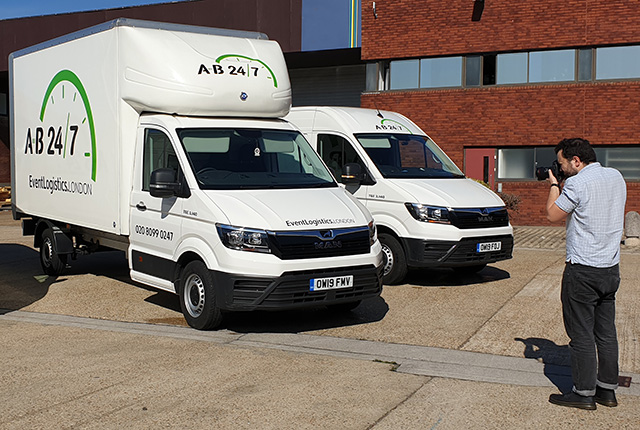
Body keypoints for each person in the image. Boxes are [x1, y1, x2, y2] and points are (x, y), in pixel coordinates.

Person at [545, 138, 627, 410]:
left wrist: (555, 185)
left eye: (562, 164)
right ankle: (607, 391)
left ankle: (582, 394)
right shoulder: (616, 176)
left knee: (580, 336)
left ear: (576, 160)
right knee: (606, 334)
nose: (562, 168)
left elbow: (553, 215)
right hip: (610, 269)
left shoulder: (578, 184)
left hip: (582, 271)